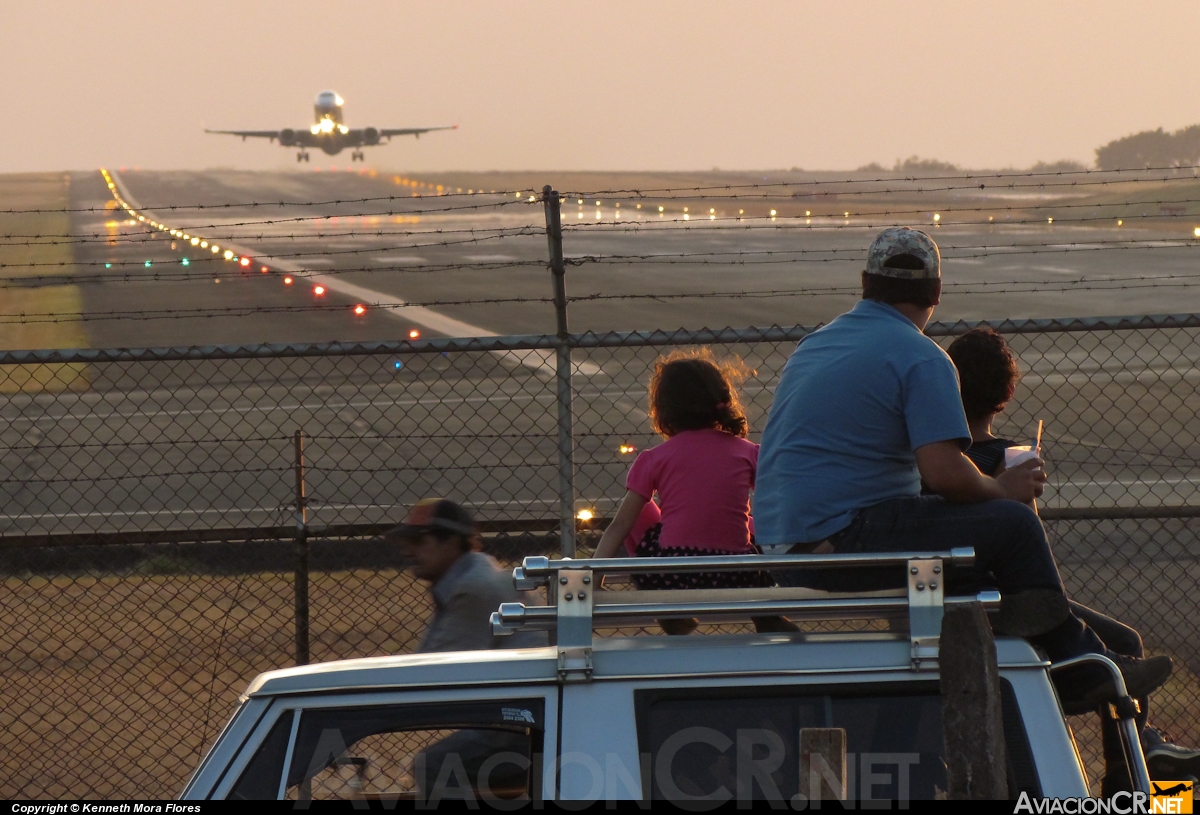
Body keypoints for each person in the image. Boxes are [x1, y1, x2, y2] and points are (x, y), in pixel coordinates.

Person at [753, 226, 1171, 713]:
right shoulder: (919, 355)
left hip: (784, 543)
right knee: (1013, 525)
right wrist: (1001, 487)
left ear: (866, 283)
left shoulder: (815, 344)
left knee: (971, 550)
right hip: (845, 537)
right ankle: (1078, 665)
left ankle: (1067, 647)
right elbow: (945, 471)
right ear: (935, 292)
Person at [947, 328, 1200, 789]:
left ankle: (1143, 752)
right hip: (1006, 595)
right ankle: (1130, 778)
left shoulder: (942, 459)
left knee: (1120, 644)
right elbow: (1027, 540)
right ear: (1006, 394)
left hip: (966, 587)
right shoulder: (1005, 458)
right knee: (1125, 642)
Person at [594, 348, 795, 634]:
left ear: (663, 409)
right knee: (746, 517)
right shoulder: (749, 453)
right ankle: (766, 617)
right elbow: (777, 503)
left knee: (639, 512)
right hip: (739, 574)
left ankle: (673, 618)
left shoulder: (654, 458)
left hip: (675, 574)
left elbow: (619, 527)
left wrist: (593, 580)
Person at [387, 498, 545, 797]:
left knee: (434, 766)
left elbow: (428, 673)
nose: (407, 551)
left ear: (452, 542)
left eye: (419, 541)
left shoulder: (473, 588)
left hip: (519, 728)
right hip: (525, 721)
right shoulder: (474, 577)